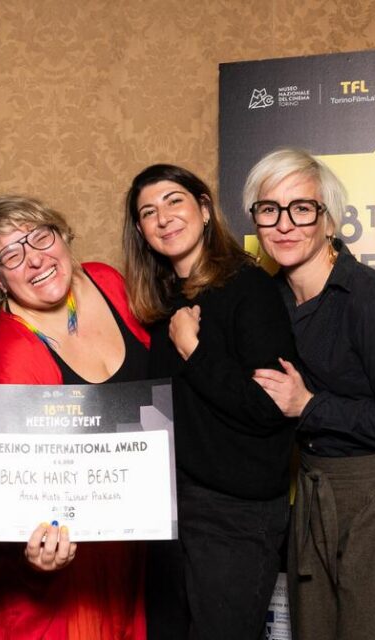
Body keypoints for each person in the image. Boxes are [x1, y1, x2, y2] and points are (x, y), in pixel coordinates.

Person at [245, 148, 375, 640]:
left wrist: (308, 406)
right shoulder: (266, 301)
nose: (284, 224)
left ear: (329, 219)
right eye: (269, 209)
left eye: (302, 208)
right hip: (315, 493)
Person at [123, 164, 298, 639]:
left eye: (174, 201)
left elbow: (270, 407)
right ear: (140, 230)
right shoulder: (161, 301)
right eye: (148, 212)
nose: (163, 218)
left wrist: (195, 351)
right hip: (171, 509)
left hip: (234, 515)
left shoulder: (250, 288)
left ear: (203, 209)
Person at [0, 195, 150, 639]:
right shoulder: (14, 353)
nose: (35, 259)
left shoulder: (107, 282)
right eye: (12, 255)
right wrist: (34, 552)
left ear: (63, 234)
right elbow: (7, 496)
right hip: (62, 580)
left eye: (41, 237)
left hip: (132, 550)